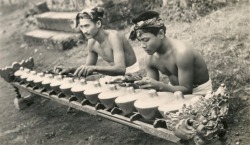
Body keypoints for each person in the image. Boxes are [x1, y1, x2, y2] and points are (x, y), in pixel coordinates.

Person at [131, 11, 212, 95]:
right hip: (173, 90)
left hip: (198, 91)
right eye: (140, 41)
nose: (142, 46)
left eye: (146, 40)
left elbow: (187, 90)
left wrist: (160, 86)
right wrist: (135, 81)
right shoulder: (150, 58)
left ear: (161, 34)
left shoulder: (181, 53)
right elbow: (151, 89)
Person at [54, 7, 140, 78]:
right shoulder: (91, 42)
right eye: (81, 27)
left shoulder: (113, 37)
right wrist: (70, 69)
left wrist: (94, 68)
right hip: (116, 76)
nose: (84, 31)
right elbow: (88, 68)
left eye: (87, 26)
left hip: (132, 74)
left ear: (98, 24)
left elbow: (121, 69)